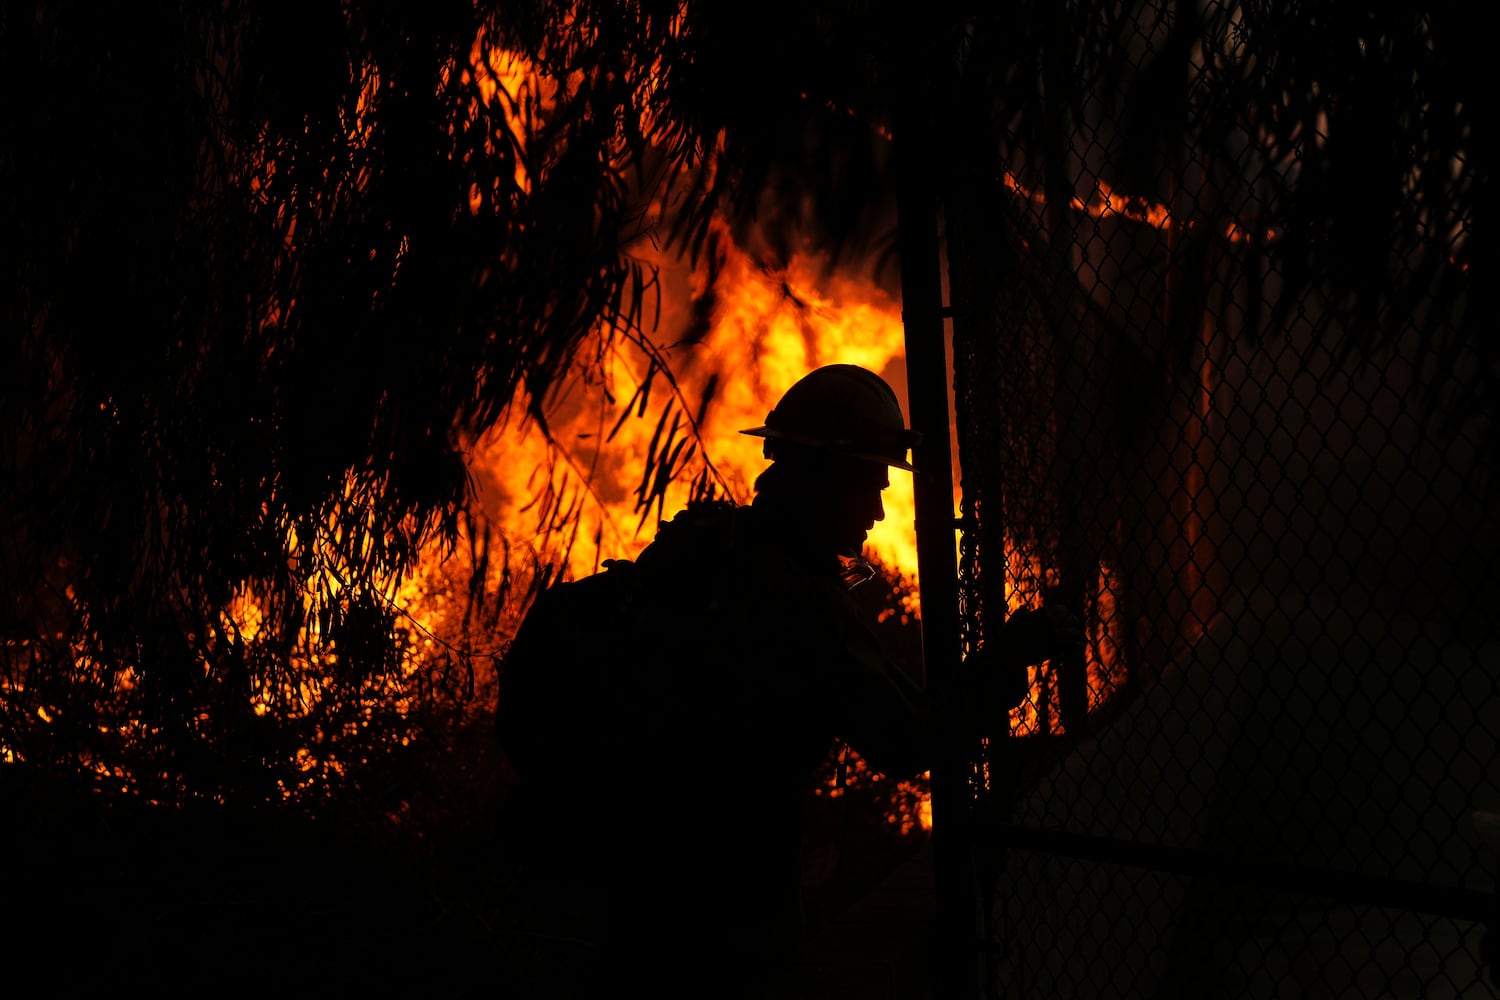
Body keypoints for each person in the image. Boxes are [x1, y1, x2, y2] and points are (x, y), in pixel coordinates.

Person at [493, 364, 1079, 997]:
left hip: (638, 900)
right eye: (870, 485)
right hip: (730, 918)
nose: (880, 511)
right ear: (824, 477)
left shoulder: (706, 551)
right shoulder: (803, 603)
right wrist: (1013, 656)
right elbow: (909, 739)